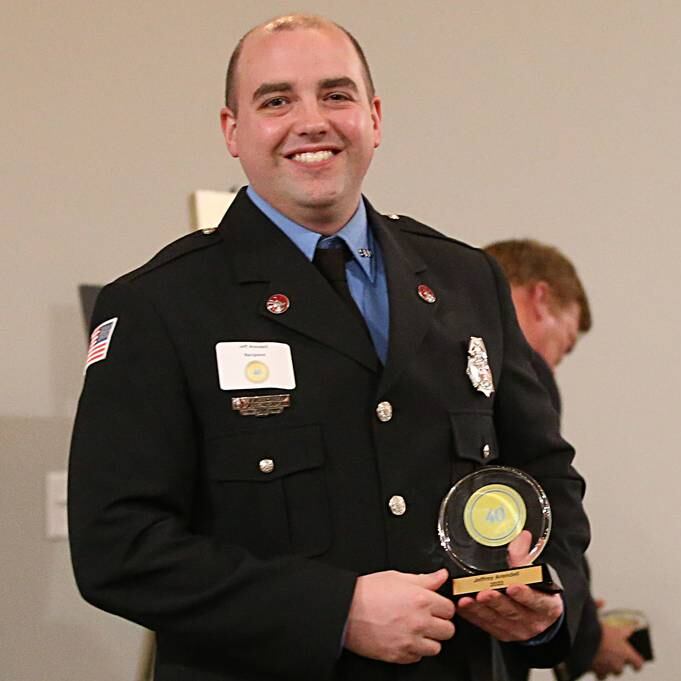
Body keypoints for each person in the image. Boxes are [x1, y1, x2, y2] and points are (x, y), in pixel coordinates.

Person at [68, 15, 590, 681]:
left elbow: (549, 475)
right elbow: (118, 546)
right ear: (233, 130)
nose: (311, 121)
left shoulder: (466, 280)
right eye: (277, 100)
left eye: (336, 95)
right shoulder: (160, 305)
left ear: (373, 117)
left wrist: (549, 603)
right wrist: (335, 610)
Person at [485, 239, 645, 680]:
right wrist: (584, 632)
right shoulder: (526, 373)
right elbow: (545, 508)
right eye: (566, 345)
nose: (555, 366)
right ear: (540, 299)